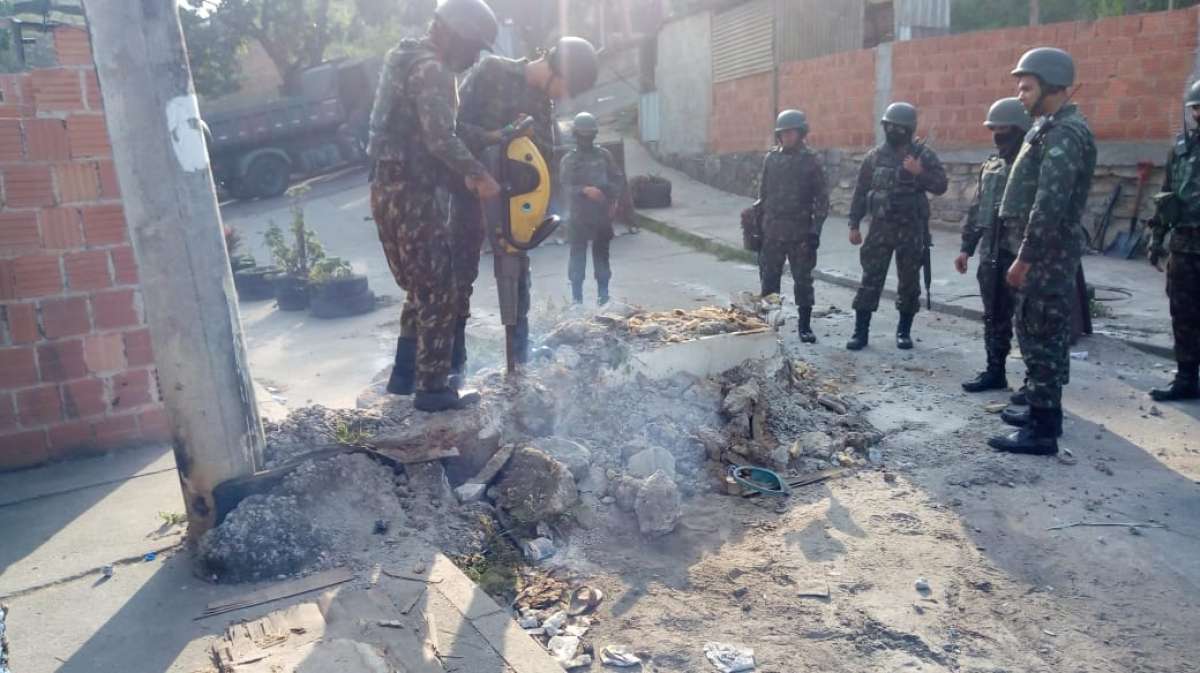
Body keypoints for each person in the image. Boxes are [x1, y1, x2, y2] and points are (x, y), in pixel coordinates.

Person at [366, 0, 500, 412]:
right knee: (441, 287)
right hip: (411, 194)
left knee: (421, 285)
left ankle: (405, 374)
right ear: (456, 36)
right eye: (474, 46)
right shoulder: (433, 71)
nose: (475, 56)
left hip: (387, 189)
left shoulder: (405, 56)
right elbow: (440, 139)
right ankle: (432, 389)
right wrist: (479, 175)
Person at [450, 36, 600, 367]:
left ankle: (518, 358)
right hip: (470, 190)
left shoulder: (542, 106)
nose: (563, 97)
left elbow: (543, 159)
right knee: (460, 275)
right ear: (557, 70)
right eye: (567, 87)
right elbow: (454, 127)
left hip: (514, 204)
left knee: (517, 275)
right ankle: (453, 364)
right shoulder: (492, 71)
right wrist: (499, 138)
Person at [989, 47, 1096, 455]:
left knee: (1042, 333)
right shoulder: (1050, 125)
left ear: (1050, 86)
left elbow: (1049, 204)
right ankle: (1040, 410)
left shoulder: (1065, 135)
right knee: (1036, 331)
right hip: (1040, 249)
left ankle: (1043, 430)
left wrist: (1025, 256)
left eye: (1026, 86)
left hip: (1045, 253)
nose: (1019, 93)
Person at [846, 102, 948, 351]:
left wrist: (918, 172)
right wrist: (854, 224)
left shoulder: (923, 155)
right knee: (870, 278)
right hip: (880, 228)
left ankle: (904, 331)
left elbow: (940, 185)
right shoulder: (874, 157)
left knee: (909, 282)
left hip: (911, 230)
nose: (893, 131)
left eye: (899, 128)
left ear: (909, 129)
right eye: (889, 126)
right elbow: (860, 192)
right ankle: (861, 332)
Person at [956, 98, 1032, 393]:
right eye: (994, 129)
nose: (999, 134)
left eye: (1005, 129)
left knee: (1028, 322)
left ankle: (1033, 383)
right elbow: (978, 209)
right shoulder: (992, 165)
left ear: (1021, 129)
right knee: (994, 315)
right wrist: (966, 247)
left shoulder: (1033, 164)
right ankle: (995, 371)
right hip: (992, 253)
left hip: (1022, 254)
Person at [1146, 79, 1200, 403]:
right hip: (1183, 245)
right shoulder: (1179, 148)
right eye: (1196, 108)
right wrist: (1156, 240)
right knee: (1182, 315)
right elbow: (1165, 196)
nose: (1199, 113)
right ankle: (1185, 379)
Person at [755, 109, 829, 343]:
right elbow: (763, 194)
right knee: (769, 280)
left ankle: (804, 326)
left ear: (801, 133)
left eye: (792, 132)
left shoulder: (811, 161)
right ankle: (769, 325)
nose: (787, 136)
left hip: (800, 232)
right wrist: (758, 225)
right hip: (773, 230)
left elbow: (822, 199)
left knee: (803, 281)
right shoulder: (771, 159)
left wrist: (816, 229)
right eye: (783, 133)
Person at [560, 111, 625, 304]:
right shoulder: (569, 159)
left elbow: (617, 179)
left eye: (589, 134)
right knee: (577, 258)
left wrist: (613, 201)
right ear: (576, 135)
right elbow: (565, 187)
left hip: (601, 214)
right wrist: (584, 190)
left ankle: (603, 297)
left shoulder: (604, 155)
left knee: (602, 258)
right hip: (579, 215)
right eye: (583, 134)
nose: (586, 138)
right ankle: (577, 301)